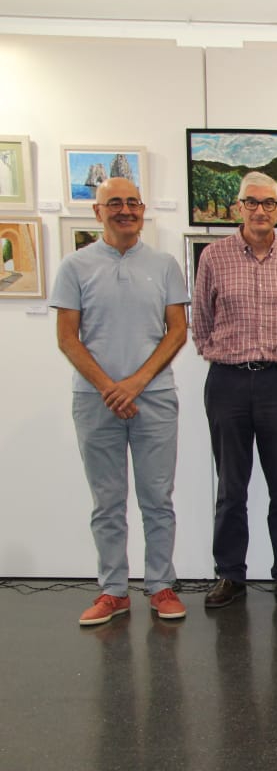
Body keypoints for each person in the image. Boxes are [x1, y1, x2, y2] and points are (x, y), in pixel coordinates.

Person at [50, 177, 190, 625]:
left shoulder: (165, 265)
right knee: (107, 501)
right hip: (95, 401)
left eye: (132, 202)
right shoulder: (74, 266)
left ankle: (161, 585)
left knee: (157, 498)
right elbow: (67, 338)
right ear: (98, 211)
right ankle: (113, 590)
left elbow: (177, 331)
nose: (125, 210)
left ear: (143, 209)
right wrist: (111, 387)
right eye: (114, 203)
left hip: (155, 398)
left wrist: (136, 383)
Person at [192, 171, 277, 609]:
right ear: (238, 207)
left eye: (269, 203)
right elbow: (201, 321)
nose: (260, 210)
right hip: (227, 381)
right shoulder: (214, 257)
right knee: (231, 486)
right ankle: (230, 575)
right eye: (251, 202)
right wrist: (221, 354)